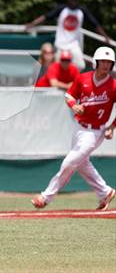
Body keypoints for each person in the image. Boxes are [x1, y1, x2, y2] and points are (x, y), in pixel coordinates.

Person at [32, 46, 116, 211]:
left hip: (95, 131)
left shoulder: (113, 85)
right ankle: (104, 192)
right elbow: (69, 95)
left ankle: (46, 197)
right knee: (81, 163)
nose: (106, 65)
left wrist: (112, 127)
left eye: (109, 62)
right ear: (96, 63)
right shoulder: (83, 78)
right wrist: (74, 106)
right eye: (103, 62)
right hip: (79, 127)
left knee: (69, 162)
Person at [26, 0, 110, 70]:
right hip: (60, 43)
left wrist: (105, 37)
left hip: (73, 44)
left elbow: (95, 24)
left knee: (80, 65)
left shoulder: (82, 10)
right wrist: (32, 24)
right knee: (57, 66)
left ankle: (70, 80)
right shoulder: (61, 9)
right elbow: (46, 16)